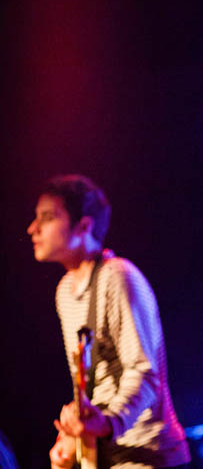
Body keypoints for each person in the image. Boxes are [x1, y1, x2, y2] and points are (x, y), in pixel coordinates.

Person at [27, 174, 191, 468]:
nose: (33, 228)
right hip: (109, 452)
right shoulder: (65, 291)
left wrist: (108, 424)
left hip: (146, 455)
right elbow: (89, 382)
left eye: (48, 217)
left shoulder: (118, 276)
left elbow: (144, 371)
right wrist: (73, 437)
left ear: (84, 226)